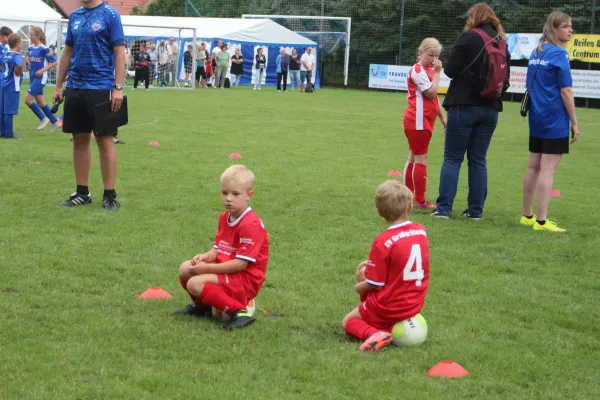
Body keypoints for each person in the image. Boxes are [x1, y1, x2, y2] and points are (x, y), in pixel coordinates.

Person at [432, 3, 510, 220]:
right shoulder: (501, 42)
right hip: (491, 109)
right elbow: (506, 79)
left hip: (464, 106)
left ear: (473, 17)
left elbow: (450, 70)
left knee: (452, 158)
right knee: (478, 160)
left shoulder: (468, 37)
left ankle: (444, 209)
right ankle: (475, 211)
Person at [174, 165, 269, 331]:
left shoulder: (250, 225)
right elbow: (217, 249)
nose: (228, 199)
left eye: (235, 194)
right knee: (185, 268)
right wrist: (205, 257)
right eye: (225, 193)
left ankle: (240, 313)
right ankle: (202, 308)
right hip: (228, 271)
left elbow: (241, 265)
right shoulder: (225, 217)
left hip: (244, 278)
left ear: (249, 195)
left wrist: (207, 268)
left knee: (195, 283)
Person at [53, 0, 125, 210]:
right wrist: (58, 85)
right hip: (75, 87)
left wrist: (117, 87)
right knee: (80, 139)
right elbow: (67, 52)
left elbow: (119, 52)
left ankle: (109, 195)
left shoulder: (110, 15)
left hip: (101, 86)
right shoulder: (75, 16)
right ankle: (82, 192)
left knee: (105, 140)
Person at [341, 181, 430, 352]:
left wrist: (359, 286)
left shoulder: (382, 242)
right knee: (367, 271)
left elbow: (375, 283)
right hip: (414, 304)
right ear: (410, 207)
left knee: (348, 321)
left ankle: (376, 333)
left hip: (389, 307)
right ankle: (381, 323)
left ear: (379, 213)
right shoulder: (421, 231)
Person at [521, 12, 579, 233]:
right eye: (566, 27)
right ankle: (542, 222)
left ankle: (527, 216)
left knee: (533, 166)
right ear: (555, 29)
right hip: (554, 118)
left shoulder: (537, 52)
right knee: (548, 170)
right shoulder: (559, 55)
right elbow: (565, 90)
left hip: (537, 118)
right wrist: (574, 122)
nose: (570, 31)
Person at [403, 38, 447, 210]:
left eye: (437, 56)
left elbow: (435, 98)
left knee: (414, 157)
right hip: (417, 121)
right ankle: (419, 200)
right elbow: (430, 93)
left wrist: (442, 118)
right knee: (421, 158)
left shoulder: (428, 70)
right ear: (420, 53)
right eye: (431, 55)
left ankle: (408, 197)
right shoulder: (418, 70)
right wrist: (437, 73)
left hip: (423, 121)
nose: (434, 59)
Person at [24, 27, 61, 132]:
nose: (30, 37)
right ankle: (55, 122)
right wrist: (29, 62)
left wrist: (42, 70)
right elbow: (28, 57)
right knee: (40, 102)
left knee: (27, 100)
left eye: (32, 35)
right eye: (29, 35)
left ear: (38, 36)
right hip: (33, 77)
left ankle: (43, 118)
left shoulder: (44, 49)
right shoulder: (31, 48)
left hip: (40, 78)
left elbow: (54, 62)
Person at [1, 34, 23, 140]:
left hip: (4, 83)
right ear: (18, 44)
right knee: (9, 110)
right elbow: (19, 65)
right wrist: (19, 72)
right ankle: (9, 134)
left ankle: (2, 132)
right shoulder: (17, 55)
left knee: (2, 109)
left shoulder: (6, 53)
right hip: (12, 85)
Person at [0, 26, 13, 138]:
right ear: (2, 36)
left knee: (2, 105)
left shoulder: (5, 48)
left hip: (3, 77)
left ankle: (3, 131)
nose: (9, 39)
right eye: (8, 37)